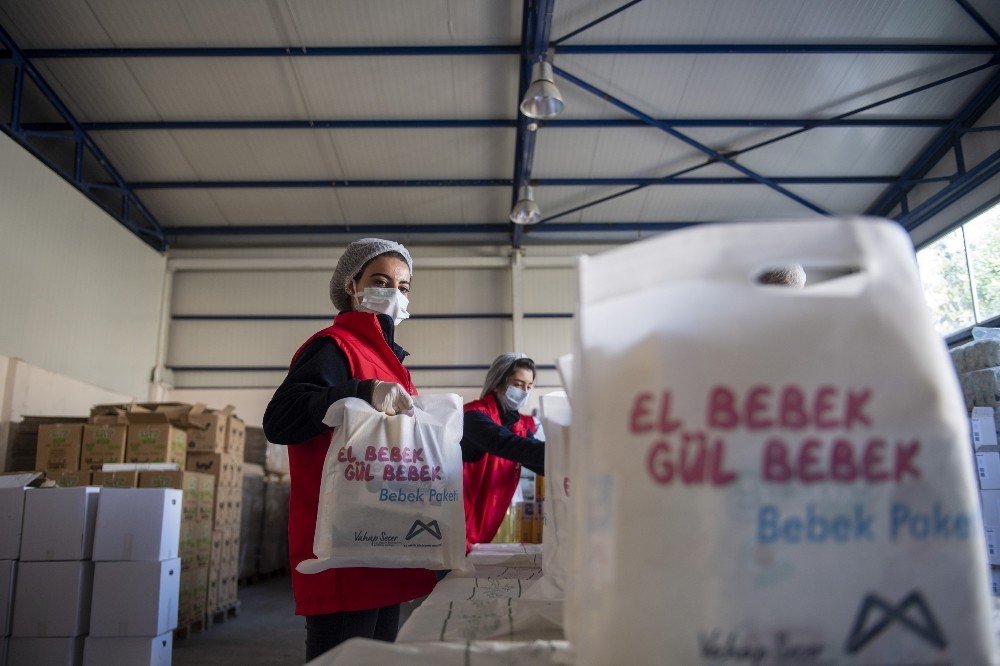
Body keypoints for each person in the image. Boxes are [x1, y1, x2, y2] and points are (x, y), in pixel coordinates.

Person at [262, 238, 436, 661]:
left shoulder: (391, 362)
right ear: (352, 285)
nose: (395, 292)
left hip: (384, 542)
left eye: (404, 285)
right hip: (343, 543)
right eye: (381, 280)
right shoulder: (334, 347)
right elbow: (280, 419)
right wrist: (359, 390)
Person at [461, 353, 545, 551]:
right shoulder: (473, 417)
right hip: (454, 530)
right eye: (518, 384)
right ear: (498, 383)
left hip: (478, 536)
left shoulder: (518, 426)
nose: (524, 391)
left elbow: (540, 462)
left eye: (529, 386)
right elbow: (508, 444)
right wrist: (572, 453)